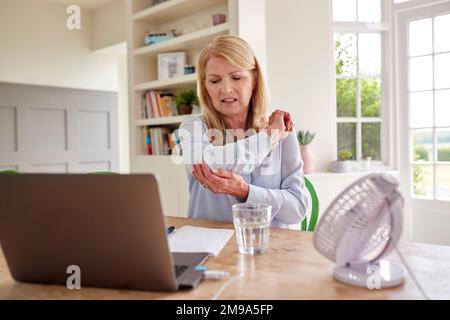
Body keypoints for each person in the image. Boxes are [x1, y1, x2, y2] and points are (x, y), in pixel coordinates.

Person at [178, 35, 308, 228]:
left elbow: (297, 209)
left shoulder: (283, 133)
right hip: (209, 250)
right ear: (205, 87)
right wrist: (268, 138)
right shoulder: (194, 127)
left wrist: (246, 192)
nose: (226, 89)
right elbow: (208, 163)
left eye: (236, 77)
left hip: (267, 250)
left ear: (254, 80)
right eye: (214, 81)